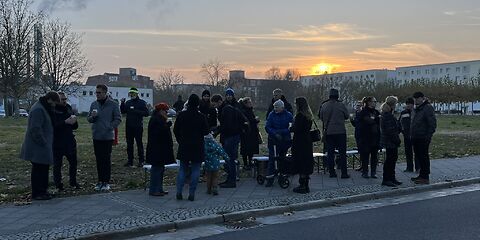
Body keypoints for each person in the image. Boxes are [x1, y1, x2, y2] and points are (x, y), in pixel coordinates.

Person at [20, 92, 60, 200]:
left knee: (43, 169)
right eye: (54, 103)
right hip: (37, 146)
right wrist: (44, 142)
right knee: (39, 170)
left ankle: (43, 191)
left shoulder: (42, 107)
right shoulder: (39, 109)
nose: (54, 106)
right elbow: (35, 129)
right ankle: (38, 193)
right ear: (49, 100)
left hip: (41, 146)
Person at [173, 94, 209, 201]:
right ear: (198, 104)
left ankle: (179, 191)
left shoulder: (181, 115)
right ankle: (192, 193)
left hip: (184, 144)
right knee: (196, 169)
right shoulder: (201, 116)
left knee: (182, 169)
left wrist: (180, 140)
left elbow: (175, 130)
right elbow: (206, 132)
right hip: (197, 145)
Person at [87, 84, 122, 191]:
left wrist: (109, 127)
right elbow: (88, 119)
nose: (97, 95)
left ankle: (106, 182)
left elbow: (118, 119)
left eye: (99, 92)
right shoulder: (94, 104)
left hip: (107, 136)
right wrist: (92, 117)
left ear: (105, 93)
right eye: (96, 92)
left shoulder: (113, 104)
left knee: (106, 159)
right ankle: (100, 181)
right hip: (96, 135)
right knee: (98, 159)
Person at [211, 94, 248, 188]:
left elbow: (227, 125)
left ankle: (231, 180)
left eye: (215, 104)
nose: (214, 107)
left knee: (229, 159)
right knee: (229, 159)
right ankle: (230, 179)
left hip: (231, 136)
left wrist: (216, 131)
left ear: (219, 101)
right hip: (232, 135)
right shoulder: (226, 108)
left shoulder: (226, 109)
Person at [145, 103, 176, 196]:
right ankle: (154, 190)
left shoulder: (159, 119)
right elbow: (159, 133)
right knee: (156, 170)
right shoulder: (156, 120)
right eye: (166, 111)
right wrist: (167, 126)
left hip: (159, 149)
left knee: (160, 170)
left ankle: (159, 188)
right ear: (161, 111)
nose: (167, 113)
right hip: (157, 149)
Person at [319, 89, 350, 179]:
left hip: (328, 132)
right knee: (342, 153)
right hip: (340, 132)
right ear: (337, 96)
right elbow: (347, 116)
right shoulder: (341, 105)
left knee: (330, 153)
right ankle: (344, 173)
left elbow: (321, 117)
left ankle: (332, 172)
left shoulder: (324, 105)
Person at [53, 92, 80, 191]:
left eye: (65, 99)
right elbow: (53, 126)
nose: (64, 101)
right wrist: (65, 122)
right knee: (57, 165)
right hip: (57, 142)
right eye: (62, 99)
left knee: (73, 163)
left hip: (69, 141)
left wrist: (74, 121)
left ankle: (73, 181)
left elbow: (75, 126)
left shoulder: (68, 108)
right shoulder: (53, 111)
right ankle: (58, 184)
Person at [265, 99, 293, 187]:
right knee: (272, 158)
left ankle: (282, 175)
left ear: (282, 107)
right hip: (273, 140)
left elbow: (290, 127)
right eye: (274, 107)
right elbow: (267, 127)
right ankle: (270, 178)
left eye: (277, 107)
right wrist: (275, 133)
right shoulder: (271, 115)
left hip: (285, 140)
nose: (275, 109)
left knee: (282, 158)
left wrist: (280, 132)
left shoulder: (288, 115)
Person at [410, 92, 437, 185]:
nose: (416, 100)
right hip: (415, 136)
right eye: (415, 99)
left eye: (418, 98)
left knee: (424, 156)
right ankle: (421, 175)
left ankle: (425, 176)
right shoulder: (416, 108)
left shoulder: (427, 108)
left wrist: (428, 136)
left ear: (423, 98)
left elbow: (432, 123)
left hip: (423, 137)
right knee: (419, 156)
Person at [120, 87, 149, 167]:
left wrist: (136, 111)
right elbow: (123, 111)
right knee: (129, 144)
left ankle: (141, 160)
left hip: (138, 126)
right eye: (130, 93)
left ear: (136, 94)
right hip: (129, 126)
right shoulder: (128, 102)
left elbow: (146, 113)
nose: (131, 95)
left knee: (139, 143)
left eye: (133, 93)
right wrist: (122, 103)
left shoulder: (142, 102)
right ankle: (130, 161)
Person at [291, 97, 314, 194]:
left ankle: (302, 185)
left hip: (300, 141)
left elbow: (297, 129)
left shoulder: (300, 116)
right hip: (307, 141)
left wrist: (291, 128)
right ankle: (306, 184)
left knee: (301, 162)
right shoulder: (308, 115)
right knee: (306, 162)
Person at [380, 96, 402, 187]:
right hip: (390, 141)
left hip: (390, 141)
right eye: (395, 104)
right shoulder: (388, 115)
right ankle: (386, 179)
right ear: (392, 105)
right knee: (390, 160)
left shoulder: (388, 114)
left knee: (392, 160)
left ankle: (392, 178)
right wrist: (397, 140)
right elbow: (391, 130)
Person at [357, 96, 381, 179]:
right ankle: (365, 172)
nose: (375, 103)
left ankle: (373, 172)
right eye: (374, 101)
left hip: (375, 137)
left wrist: (375, 119)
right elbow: (368, 121)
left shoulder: (376, 112)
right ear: (369, 102)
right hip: (365, 137)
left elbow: (379, 121)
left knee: (374, 156)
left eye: (375, 101)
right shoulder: (363, 112)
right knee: (365, 156)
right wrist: (375, 119)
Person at [239, 97, 260, 170]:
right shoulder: (243, 111)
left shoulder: (250, 110)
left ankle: (250, 162)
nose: (251, 103)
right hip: (246, 133)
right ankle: (245, 164)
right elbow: (247, 121)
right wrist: (255, 120)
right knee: (245, 149)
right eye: (249, 102)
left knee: (251, 149)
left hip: (252, 132)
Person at [399, 97, 416, 172]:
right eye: (407, 104)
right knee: (408, 152)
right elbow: (399, 122)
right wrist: (402, 131)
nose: (409, 105)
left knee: (417, 152)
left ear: (413, 104)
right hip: (406, 135)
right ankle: (409, 167)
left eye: (410, 104)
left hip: (415, 135)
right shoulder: (403, 112)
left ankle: (418, 167)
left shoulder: (416, 112)